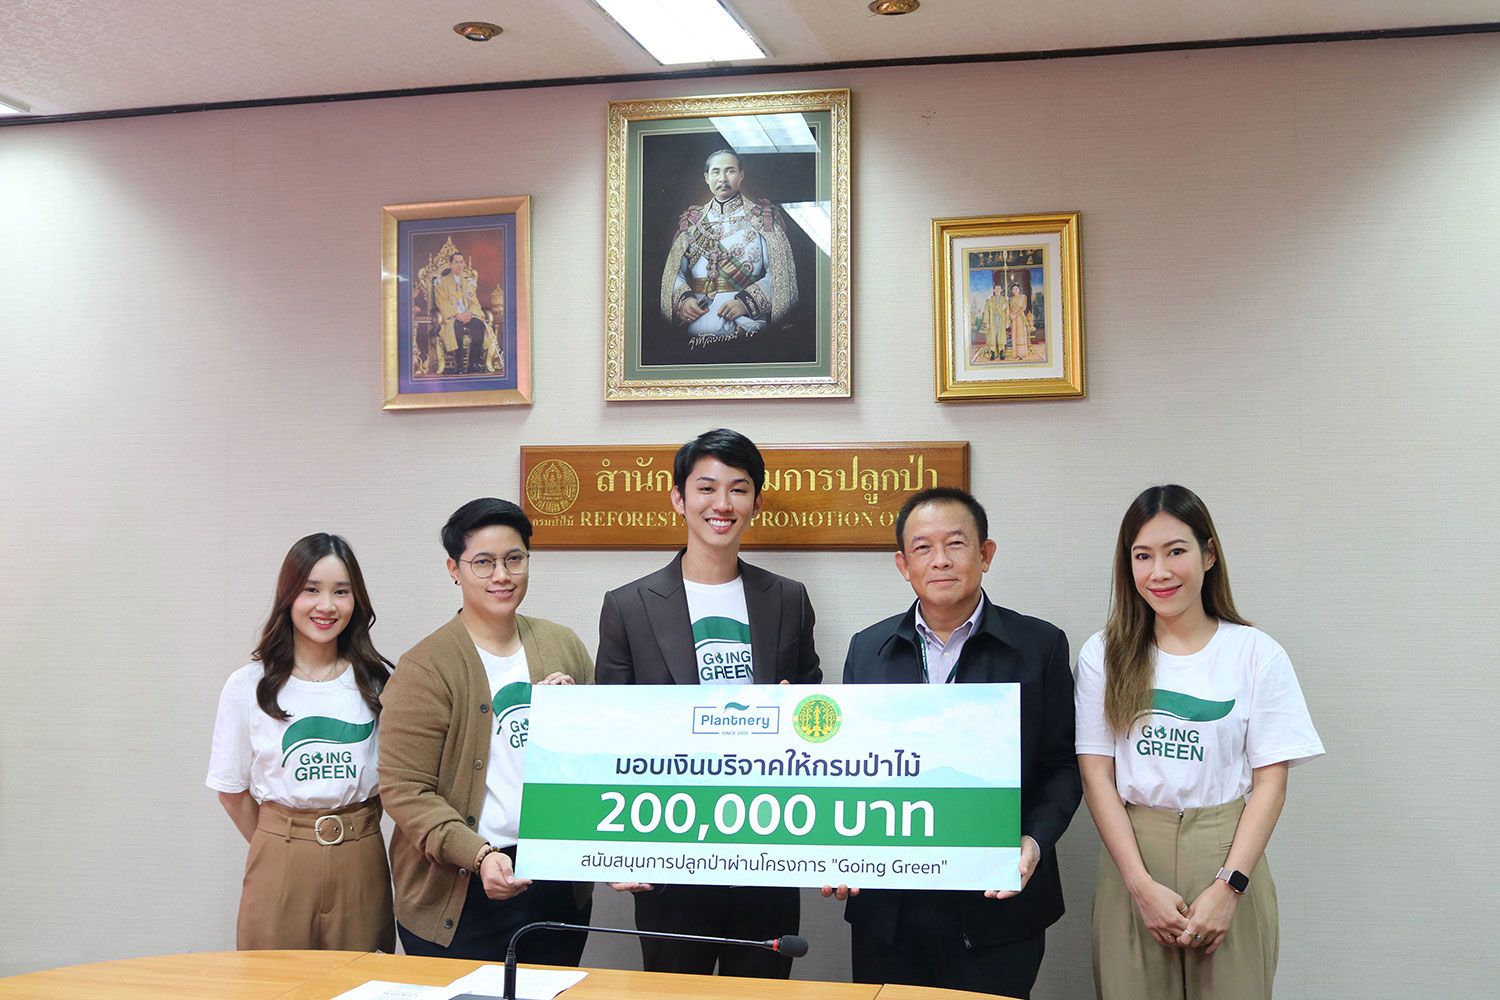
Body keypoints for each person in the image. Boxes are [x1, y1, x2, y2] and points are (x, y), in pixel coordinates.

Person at [828, 487, 1081, 999]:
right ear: (903, 565)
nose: (939, 560)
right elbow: (848, 767)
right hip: (889, 911)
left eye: (956, 543)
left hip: (998, 905)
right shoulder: (868, 649)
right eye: (922, 548)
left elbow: (1062, 764)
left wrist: (1033, 841)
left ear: (985, 554)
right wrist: (839, 848)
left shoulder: (1040, 646)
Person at [1075, 485, 1324, 1000]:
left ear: (1208, 555)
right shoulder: (1104, 654)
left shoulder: (1256, 654)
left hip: (1227, 850)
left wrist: (1230, 887)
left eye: (1176, 551)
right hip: (1134, 853)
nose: (1160, 572)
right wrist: (1140, 887)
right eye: (1143, 556)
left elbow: (1271, 784)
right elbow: (1096, 775)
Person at [596, 428, 821, 978]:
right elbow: (610, 734)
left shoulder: (788, 598)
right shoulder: (628, 606)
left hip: (767, 849)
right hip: (668, 854)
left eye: (738, 489)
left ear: (756, 503)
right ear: (679, 498)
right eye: (706, 488)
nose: (722, 504)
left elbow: (815, 722)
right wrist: (615, 847)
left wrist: (795, 713)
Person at [379, 499, 593, 961]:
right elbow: (405, 790)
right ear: (454, 570)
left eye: (514, 559)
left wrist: (576, 716)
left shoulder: (563, 646)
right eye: (483, 562)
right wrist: (478, 855)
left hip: (554, 880)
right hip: (459, 888)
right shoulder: (424, 668)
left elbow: (599, 761)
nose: (502, 575)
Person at [206, 533, 395, 951]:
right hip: (280, 856)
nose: (326, 606)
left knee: (361, 978)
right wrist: (283, 842)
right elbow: (231, 791)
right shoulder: (248, 685)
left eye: (340, 592)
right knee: (274, 980)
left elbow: (396, 783)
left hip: (362, 857)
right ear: (288, 595)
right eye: (311, 590)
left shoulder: (379, 683)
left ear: (356, 601)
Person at [660, 150, 798, 342]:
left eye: (730, 171)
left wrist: (746, 302)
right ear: (706, 178)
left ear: (741, 175)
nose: (723, 178)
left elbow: (781, 274)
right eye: (716, 172)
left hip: (746, 324)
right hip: (698, 325)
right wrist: (685, 300)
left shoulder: (762, 220)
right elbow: (673, 274)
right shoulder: (692, 223)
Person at [432, 251, 498, 374]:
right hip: (452, 317)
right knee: (456, 327)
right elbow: (442, 302)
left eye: (461, 262)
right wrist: (457, 315)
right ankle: (459, 366)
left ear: (464, 264)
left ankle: (473, 363)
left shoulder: (468, 282)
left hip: (468, 315)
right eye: (456, 262)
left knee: (479, 325)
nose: (459, 265)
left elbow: (474, 301)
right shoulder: (442, 283)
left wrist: (470, 313)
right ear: (450, 264)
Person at [978, 279, 1008, 361]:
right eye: (996, 288)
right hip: (992, 321)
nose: (997, 290)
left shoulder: (1004, 299)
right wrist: (986, 322)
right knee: (992, 336)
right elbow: (986, 311)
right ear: (994, 290)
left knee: (1001, 336)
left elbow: (1007, 311)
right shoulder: (989, 300)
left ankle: (1001, 352)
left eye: (999, 288)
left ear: (1001, 290)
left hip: (1001, 320)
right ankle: (993, 353)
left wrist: (1007, 322)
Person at [1006, 281, 1037, 360]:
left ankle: (1022, 354)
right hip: (1013, 319)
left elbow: (1023, 308)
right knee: (1015, 334)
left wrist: (1015, 315)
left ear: (1019, 289)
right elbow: (1010, 308)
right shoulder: (1011, 298)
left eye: (1016, 289)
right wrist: (1011, 315)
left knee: (1021, 334)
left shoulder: (1023, 297)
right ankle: (1016, 353)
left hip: (1020, 317)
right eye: (1013, 289)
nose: (1015, 290)